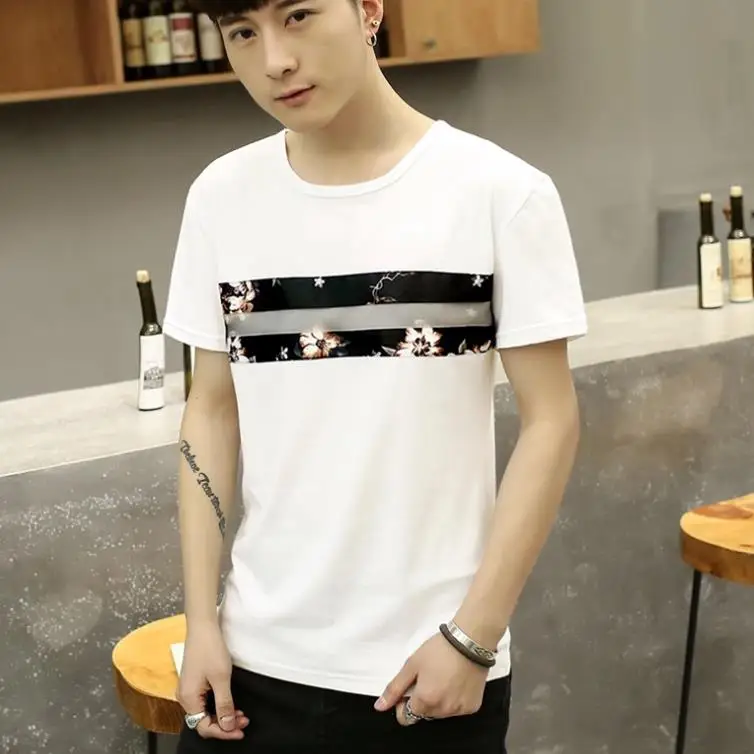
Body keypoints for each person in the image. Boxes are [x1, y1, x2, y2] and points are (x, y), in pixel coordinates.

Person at [163, 0, 587, 751]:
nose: (274, 61)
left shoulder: (500, 192)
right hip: (253, 670)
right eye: (243, 33)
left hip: (428, 670)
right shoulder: (220, 197)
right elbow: (212, 409)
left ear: (368, 9)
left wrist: (474, 638)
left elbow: (552, 421)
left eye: (298, 16)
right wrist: (202, 621)